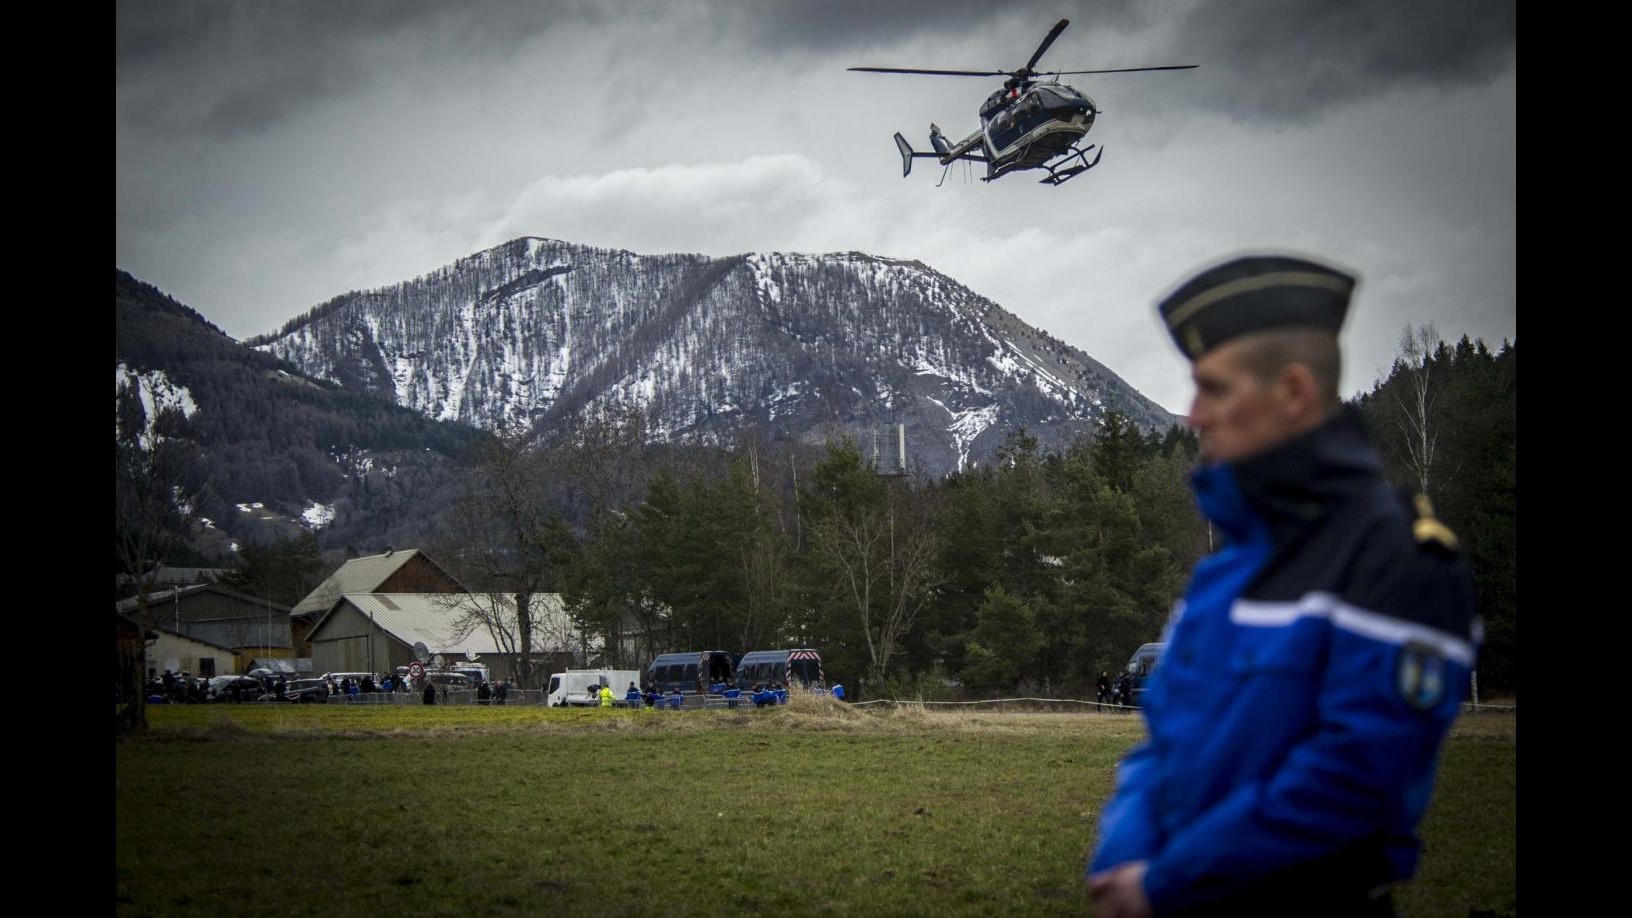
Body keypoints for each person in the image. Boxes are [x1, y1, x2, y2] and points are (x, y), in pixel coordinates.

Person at [1085, 255, 1479, 918]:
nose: (1193, 418)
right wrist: (1120, 858)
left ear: (1293, 392)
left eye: (1214, 390)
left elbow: (1351, 781)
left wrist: (1168, 883)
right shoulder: (1223, 574)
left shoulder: (1397, 562)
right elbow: (1162, 745)